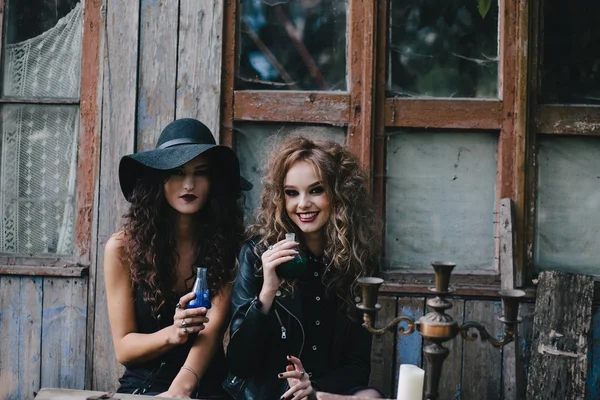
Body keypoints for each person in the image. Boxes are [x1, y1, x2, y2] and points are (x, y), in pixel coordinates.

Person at [224, 135, 382, 399]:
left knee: (371, 397)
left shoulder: (360, 262)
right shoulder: (256, 254)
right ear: (281, 198)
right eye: (291, 193)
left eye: (316, 190)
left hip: (323, 393)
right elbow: (239, 364)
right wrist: (267, 291)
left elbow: (358, 365)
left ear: (339, 193)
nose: (303, 204)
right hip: (266, 394)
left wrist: (316, 388)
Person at [104, 118, 251, 398]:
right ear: (159, 180)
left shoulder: (230, 246)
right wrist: (174, 333)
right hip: (143, 386)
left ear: (214, 182)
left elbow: (213, 330)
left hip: (205, 383)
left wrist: (180, 390)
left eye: (201, 172)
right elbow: (124, 348)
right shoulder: (121, 249)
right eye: (177, 172)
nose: (189, 184)